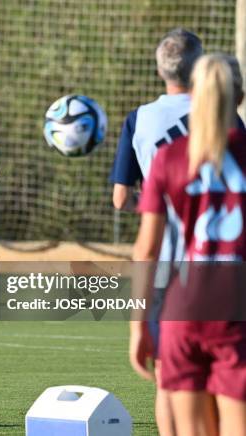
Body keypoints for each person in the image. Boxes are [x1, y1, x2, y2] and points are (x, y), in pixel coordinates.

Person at [132, 53, 246, 436]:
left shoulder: (169, 157)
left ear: (194, 94)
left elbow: (146, 251)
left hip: (182, 310)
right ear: (241, 95)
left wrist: (137, 327)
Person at [110, 28, 203, 436]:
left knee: (168, 373)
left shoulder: (139, 118)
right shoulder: (224, 118)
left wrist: (151, 210)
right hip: (221, 261)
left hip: (164, 259)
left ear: (159, 68)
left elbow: (119, 199)